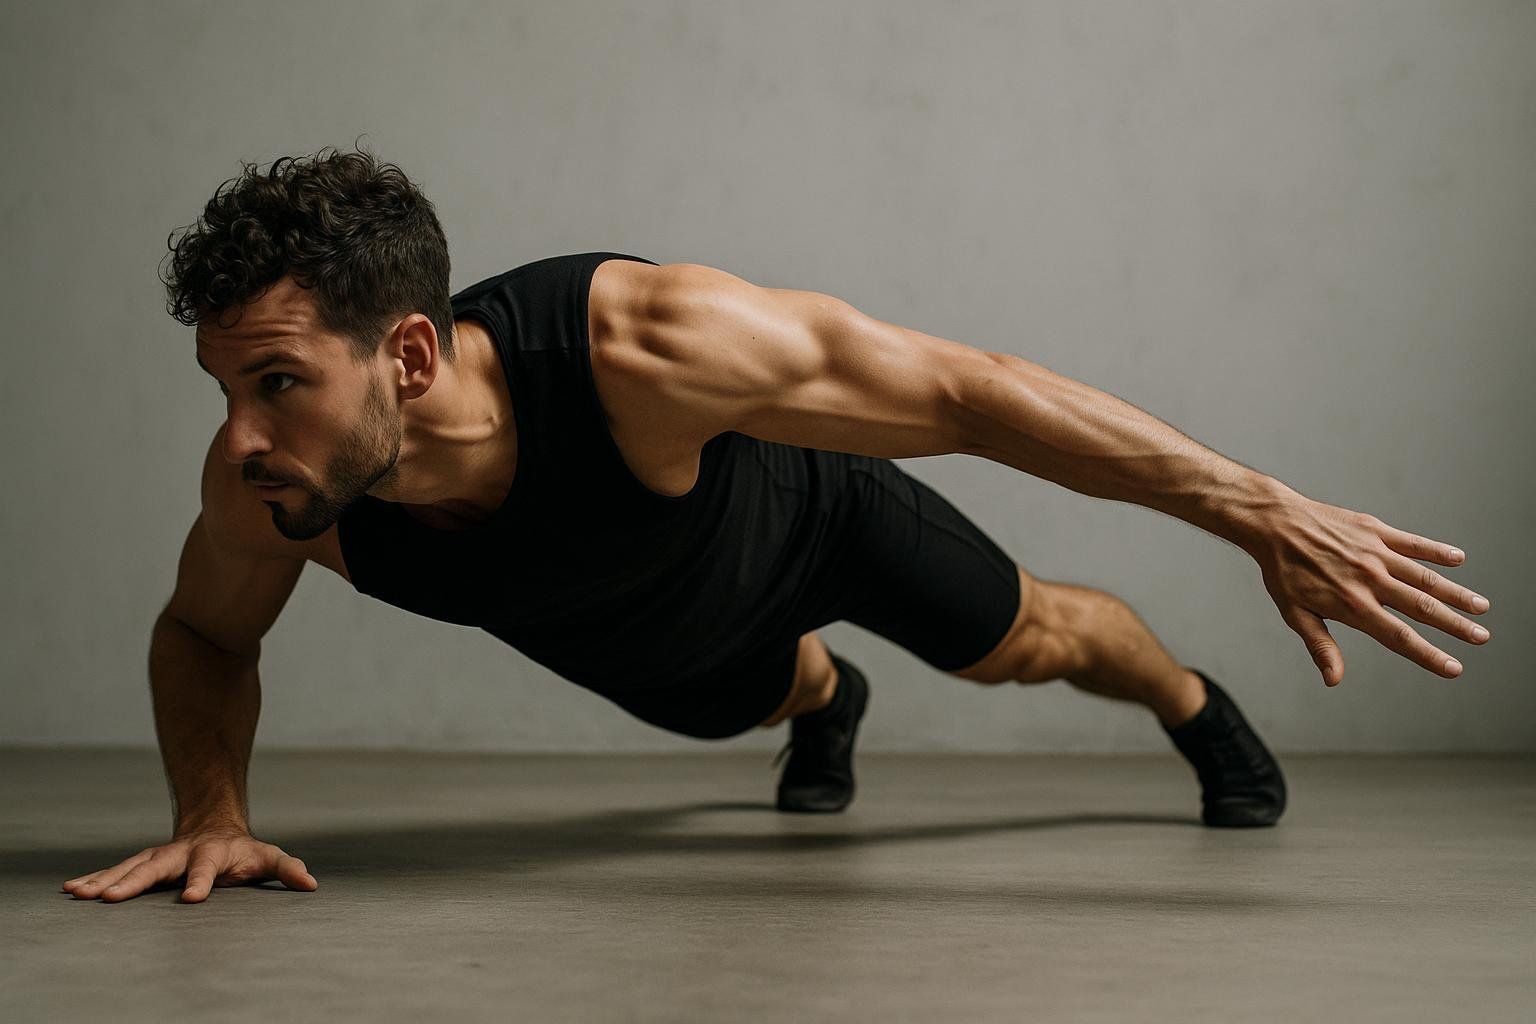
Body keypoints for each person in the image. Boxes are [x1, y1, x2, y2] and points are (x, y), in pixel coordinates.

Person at [62, 146, 1491, 905]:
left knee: (1032, 641)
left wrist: (1252, 504)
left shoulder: (639, 342)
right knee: (780, 694)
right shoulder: (281, 489)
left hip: (812, 529)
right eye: (224, 389)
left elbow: (968, 393)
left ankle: (1188, 701)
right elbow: (203, 630)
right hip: (647, 642)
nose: (239, 435)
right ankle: (826, 697)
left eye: (277, 384)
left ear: (415, 359)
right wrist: (215, 817)